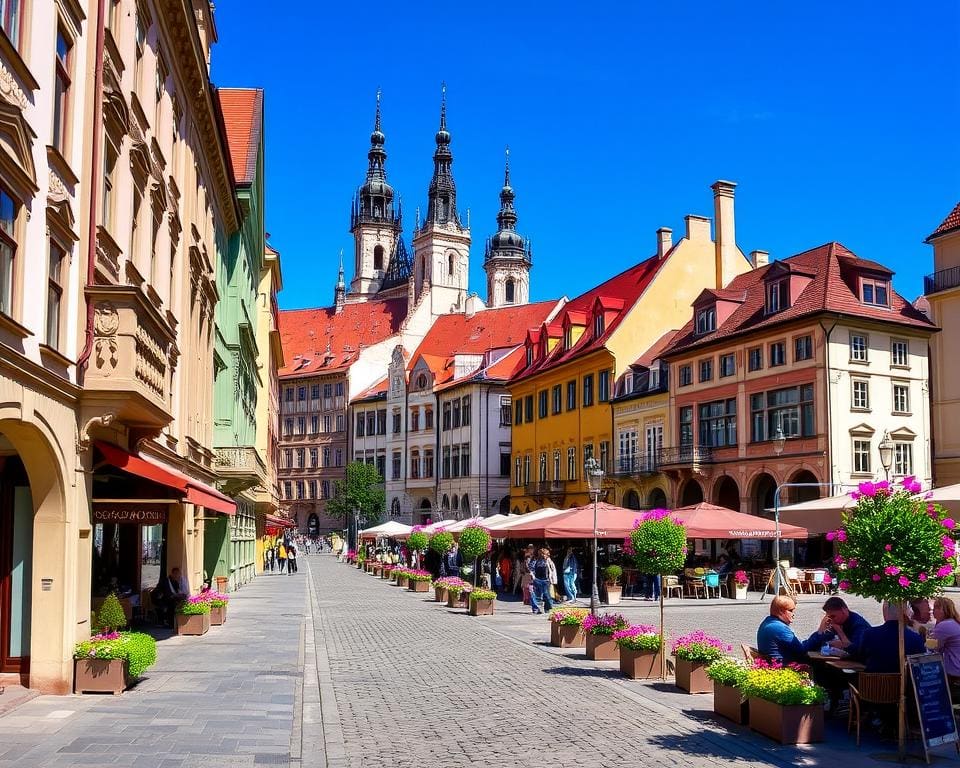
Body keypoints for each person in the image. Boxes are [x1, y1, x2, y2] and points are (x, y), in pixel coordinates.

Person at [849, 601, 925, 673]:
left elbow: (860, 656)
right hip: (905, 683)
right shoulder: (915, 638)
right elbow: (921, 663)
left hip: (874, 683)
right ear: (904, 614)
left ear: (885, 612)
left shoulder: (869, 633)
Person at [757, 595, 816, 664]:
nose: (793, 614)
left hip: (772, 664)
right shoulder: (779, 628)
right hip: (782, 667)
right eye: (791, 611)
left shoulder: (768, 622)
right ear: (781, 611)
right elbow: (802, 649)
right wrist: (820, 633)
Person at [807, 596, 871, 652]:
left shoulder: (859, 625)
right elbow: (808, 646)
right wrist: (821, 629)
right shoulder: (835, 622)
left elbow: (855, 651)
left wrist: (839, 631)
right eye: (828, 616)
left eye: (833, 616)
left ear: (844, 610)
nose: (830, 619)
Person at [930, 596, 960, 678]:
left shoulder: (945, 625)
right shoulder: (955, 622)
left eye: (936, 608)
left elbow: (931, 647)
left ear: (943, 610)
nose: (933, 611)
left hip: (954, 672)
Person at [528, 546, 557, 615]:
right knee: (534, 595)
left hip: (546, 580)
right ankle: (535, 609)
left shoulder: (549, 561)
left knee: (546, 595)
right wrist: (532, 575)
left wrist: (553, 580)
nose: (542, 555)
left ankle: (547, 608)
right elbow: (530, 568)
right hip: (537, 579)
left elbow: (553, 570)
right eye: (541, 554)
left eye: (544, 554)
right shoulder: (535, 560)